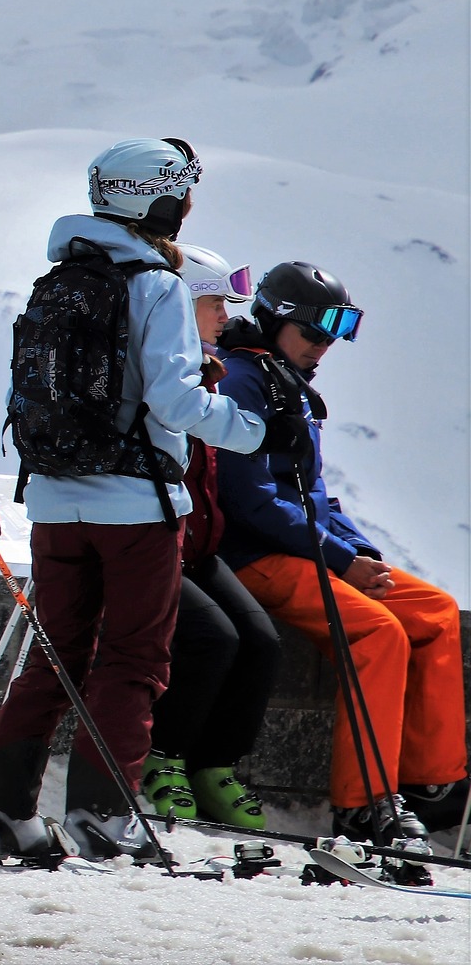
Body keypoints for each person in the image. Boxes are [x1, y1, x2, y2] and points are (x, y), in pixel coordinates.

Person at [0, 138, 267, 864]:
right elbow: (169, 397)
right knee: (133, 659)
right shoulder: (155, 285)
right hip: (136, 505)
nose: (189, 205)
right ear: (161, 199)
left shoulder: (60, 278)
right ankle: (104, 817)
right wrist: (245, 426)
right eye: (185, 191)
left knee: (55, 655)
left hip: (54, 501)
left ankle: (0, 810)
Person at [216, 262, 467, 847]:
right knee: (378, 633)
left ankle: (433, 785)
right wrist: (338, 561)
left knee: (434, 611)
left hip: (306, 547)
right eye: (314, 333)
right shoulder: (240, 380)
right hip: (254, 556)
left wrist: (360, 552)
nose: (324, 347)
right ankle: (363, 804)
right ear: (276, 320)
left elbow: (314, 492)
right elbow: (249, 499)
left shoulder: (286, 380)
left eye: (336, 335)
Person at [138, 245, 280, 829]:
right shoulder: (170, 374)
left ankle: (212, 763)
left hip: (198, 547)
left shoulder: (209, 370)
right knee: (211, 639)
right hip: (157, 540)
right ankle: (163, 758)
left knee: (261, 642)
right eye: (212, 302)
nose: (224, 315)